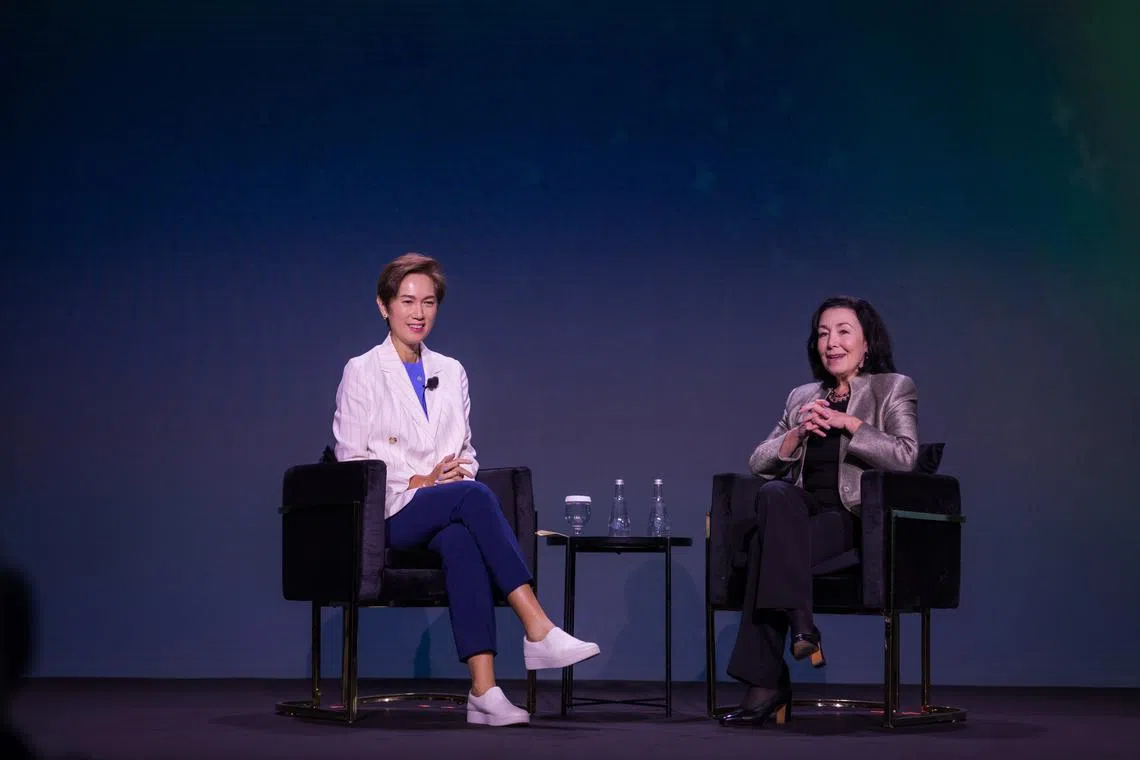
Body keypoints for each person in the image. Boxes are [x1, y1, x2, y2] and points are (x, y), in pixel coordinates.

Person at [332, 253, 600, 727]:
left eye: (428, 302)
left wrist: (456, 471)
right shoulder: (363, 370)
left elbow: (466, 451)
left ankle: (483, 691)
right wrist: (419, 481)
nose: (418, 313)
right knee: (474, 497)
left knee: (460, 539)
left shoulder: (451, 370)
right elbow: (352, 461)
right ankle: (537, 626)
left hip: (442, 505)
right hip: (389, 511)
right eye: (407, 301)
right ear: (384, 306)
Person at [719, 295, 918, 728]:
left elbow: (906, 456)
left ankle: (767, 684)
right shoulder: (803, 396)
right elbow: (758, 461)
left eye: (843, 331)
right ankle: (803, 627)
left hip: (852, 517)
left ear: (867, 343)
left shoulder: (891, 388)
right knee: (774, 493)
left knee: (764, 548)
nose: (831, 342)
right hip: (799, 512)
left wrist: (852, 425)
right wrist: (796, 435)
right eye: (824, 333)